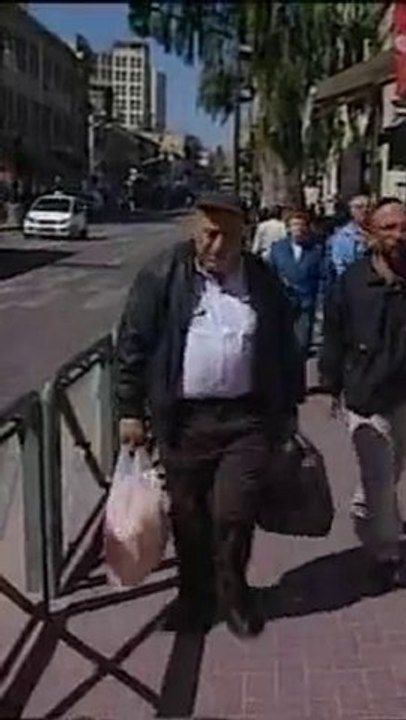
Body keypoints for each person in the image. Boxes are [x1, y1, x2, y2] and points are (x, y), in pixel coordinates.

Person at [115, 191, 303, 638]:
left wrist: (289, 407)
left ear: (245, 235)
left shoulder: (260, 278)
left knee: (233, 512)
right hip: (183, 421)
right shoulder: (162, 274)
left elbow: (284, 346)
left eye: (230, 236)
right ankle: (194, 597)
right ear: (193, 230)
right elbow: (133, 344)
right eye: (210, 233)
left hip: (247, 419)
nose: (219, 246)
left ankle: (234, 592)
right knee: (189, 517)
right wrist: (128, 410)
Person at [320, 198, 406, 592]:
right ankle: (387, 556)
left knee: (387, 477)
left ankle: (366, 512)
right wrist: (331, 387)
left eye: (403, 227)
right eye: (388, 229)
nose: (397, 236)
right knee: (381, 482)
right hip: (367, 396)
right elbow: (334, 333)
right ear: (371, 234)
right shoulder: (353, 281)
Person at [267, 207, 333, 357]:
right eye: (294, 225)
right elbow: (270, 272)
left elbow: (324, 277)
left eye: (301, 225)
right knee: (281, 345)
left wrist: (321, 304)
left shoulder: (316, 250)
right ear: (288, 228)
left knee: (301, 345)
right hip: (283, 302)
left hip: (305, 304)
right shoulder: (278, 248)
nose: (298, 229)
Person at [328, 193, 371, 277]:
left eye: (368, 206)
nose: (365, 210)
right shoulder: (342, 236)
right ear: (351, 211)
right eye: (359, 207)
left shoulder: (380, 231)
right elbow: (340, 266)